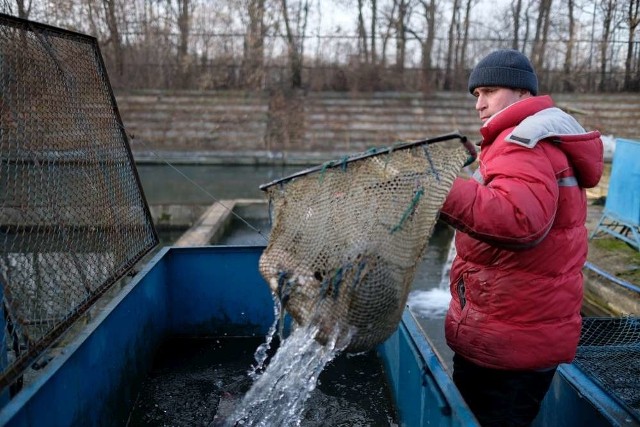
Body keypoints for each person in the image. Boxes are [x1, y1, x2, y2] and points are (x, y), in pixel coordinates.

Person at [438, 49, 604, 426]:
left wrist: (441, 190)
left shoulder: (521, 140)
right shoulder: (536, 138)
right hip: (523, 333)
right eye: (476, 94)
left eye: (489, 91)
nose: (479, 103)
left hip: (507, 341)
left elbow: (520, 220)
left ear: (523, 94)